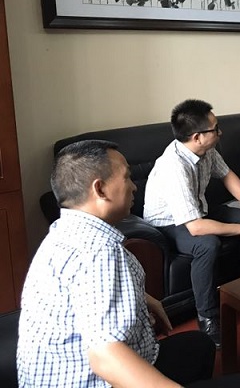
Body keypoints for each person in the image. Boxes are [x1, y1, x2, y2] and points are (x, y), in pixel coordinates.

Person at [17, 140, 217, 387]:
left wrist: (145, 298)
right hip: (93, 379)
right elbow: (106, 358)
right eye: (127, 177)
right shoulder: (99, 251)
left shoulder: (64, 231)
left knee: (199, 346)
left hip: (53, 374)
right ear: (100, 189)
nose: (134, 186)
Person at [144, 99, 240, 348]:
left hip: (199, 212)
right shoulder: (173, 166)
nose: (220, 132)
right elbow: (195, 227)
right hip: (168, 223)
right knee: (207, 244)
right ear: (197, 137)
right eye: (216, 128)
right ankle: (208, 317)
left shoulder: (206, 150)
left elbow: (227, 174)